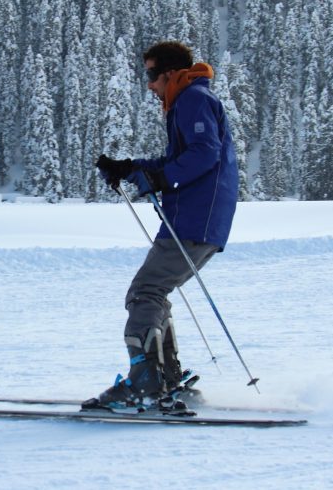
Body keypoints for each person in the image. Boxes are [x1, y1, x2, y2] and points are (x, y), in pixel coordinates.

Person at [86, 40, 239, 410]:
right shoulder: (187, 100)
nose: (150, 84)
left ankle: (146, 381)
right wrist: (131, 168)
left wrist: (160, 178)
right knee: (155, 291)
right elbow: (181, 159)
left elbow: (205, 153)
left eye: (153, 75)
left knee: (145, 292)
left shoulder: (192, 99)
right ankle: (165, 377)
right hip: (199, 219)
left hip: (195, 218)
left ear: (171, 73)